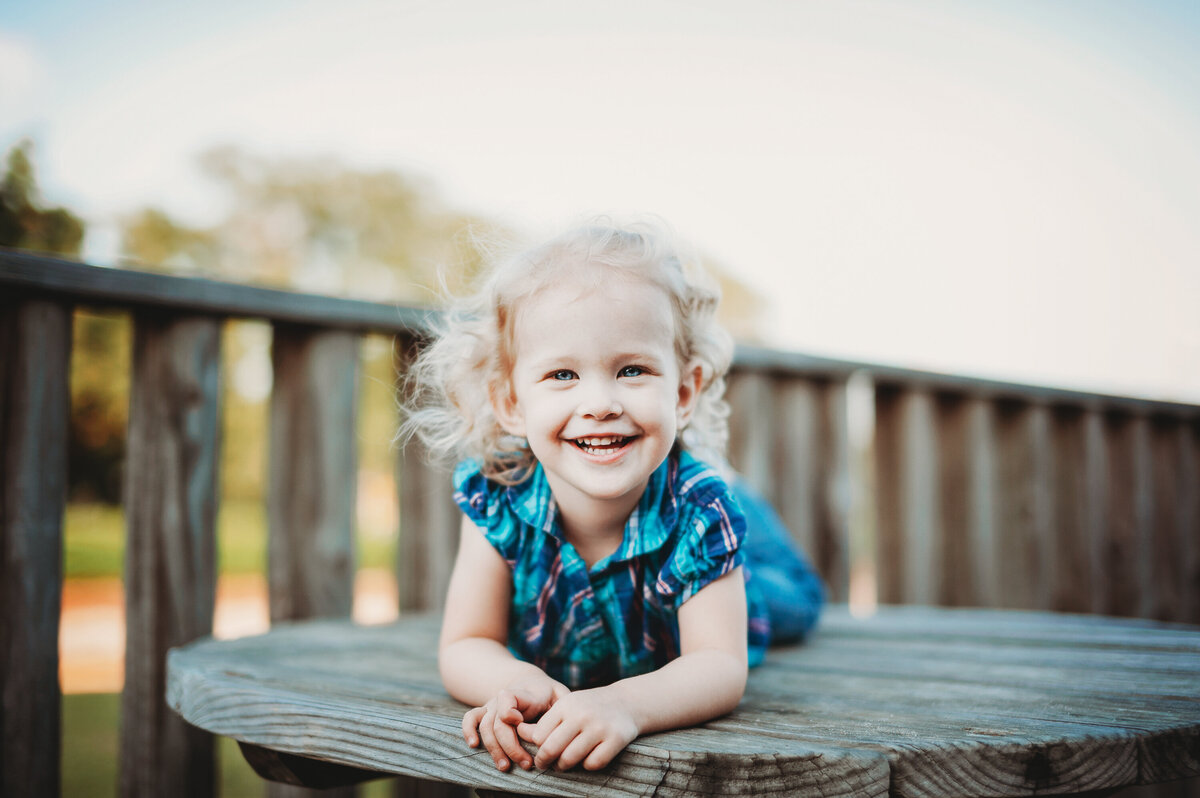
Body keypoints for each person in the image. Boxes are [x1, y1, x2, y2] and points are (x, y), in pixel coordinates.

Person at [402, 219, 823, 775]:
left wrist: (625, 705)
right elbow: (466, 642)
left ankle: (737, 496)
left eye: (631, 369)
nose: (599, 402)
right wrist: (517, 682)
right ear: (510, 403)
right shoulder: (496, 496)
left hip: (742, 582)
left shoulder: (700, 511)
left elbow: (719, 663)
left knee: (798, 600)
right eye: (561, 374)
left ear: (682, 391)